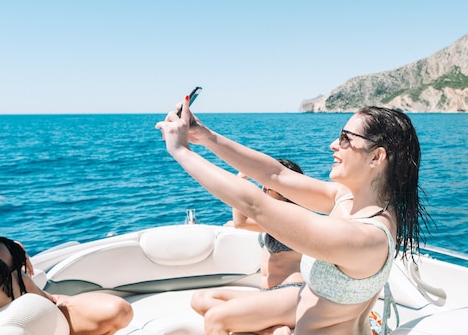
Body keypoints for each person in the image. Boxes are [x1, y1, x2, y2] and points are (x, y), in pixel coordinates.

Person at [156, 99, 428, 335]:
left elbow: (256, 205)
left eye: (346, 138)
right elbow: (276, 175)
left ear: (376, 157)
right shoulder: (346, 199)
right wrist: (202, 135)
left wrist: (180, 151)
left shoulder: (366, 237)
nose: (334, 144)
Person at [190, 159, 305, 335]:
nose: (264, 189)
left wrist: (241, 181)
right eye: (263, 185)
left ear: (286, 190)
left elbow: (241, 222)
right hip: (267, 294)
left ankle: (265, 327)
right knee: (201, 299)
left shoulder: (291, 218)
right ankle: (267, 329)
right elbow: (242, 224)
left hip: (291, 293)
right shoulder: (272, 218)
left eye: (269, 186)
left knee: (215, 316)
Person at [0, 236, 133, 335]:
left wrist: (16, 249)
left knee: (120, 311)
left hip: (54, 307)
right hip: (22, 325)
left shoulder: (5, 245)